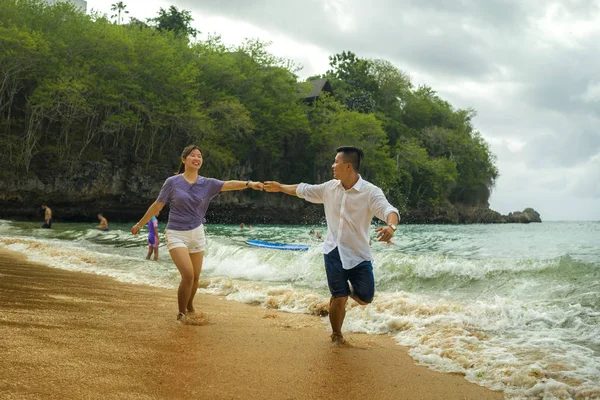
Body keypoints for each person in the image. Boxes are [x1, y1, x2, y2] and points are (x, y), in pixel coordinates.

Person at [264, 146, 399, 344]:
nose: (332, 165)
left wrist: (391, 226)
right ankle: (337, 335)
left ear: (348, 166)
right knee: (339, 297)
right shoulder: (330, 187)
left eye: (336, 161)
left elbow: (389, 210)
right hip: (333, 251)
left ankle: (341, 292)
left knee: (365, 297)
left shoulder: (370, 192)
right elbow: (304, 189)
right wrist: (280, 187)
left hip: (359, 254)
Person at [131, 145, 264, 322]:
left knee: (195, 277)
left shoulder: (207, 183)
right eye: (192, 155)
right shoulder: (172, 182)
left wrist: (249, 184)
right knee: (187, 274)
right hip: (176, 233)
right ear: (184, 159)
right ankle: (181, 313)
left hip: (197, 233)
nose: (196, 158)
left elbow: (228, 184)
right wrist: (140, 224)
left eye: (199, 156)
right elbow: (157, 205)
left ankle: (190, 306)